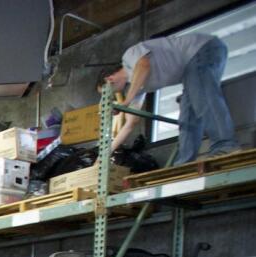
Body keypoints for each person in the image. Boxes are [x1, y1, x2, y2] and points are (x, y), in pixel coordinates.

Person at [100, 32, 237, 166]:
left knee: (204, 99)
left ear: (109, 80)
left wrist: (125, 102)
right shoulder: (136, 87)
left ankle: (226, 145)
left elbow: (143, 65)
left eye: (106, 92)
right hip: (189, 67)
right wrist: (104, 155)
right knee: (187, 118)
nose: (113, 94)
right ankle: (184, 164)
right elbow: (130, 124)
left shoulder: (129, 57)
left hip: (202, 49)